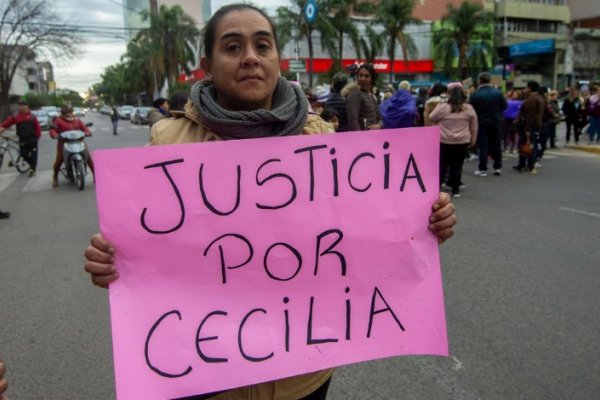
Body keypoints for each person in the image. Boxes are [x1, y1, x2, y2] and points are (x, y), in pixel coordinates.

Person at [83, 4, 457, 400]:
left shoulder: (322, 141)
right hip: (207, 373)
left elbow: (370, 238)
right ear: (207, 65)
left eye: (263, 46)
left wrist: (426, 222)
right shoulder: (166, 143)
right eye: (232, 47)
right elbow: (142, 248)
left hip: (303, 373)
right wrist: (109, 259)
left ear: (278, 60)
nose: (250, 57)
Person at [429, 83, 478, 198]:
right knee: (457, 165)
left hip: (444, 140)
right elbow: (474, 127)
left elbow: (431, 117)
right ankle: (455, 190)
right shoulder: (469, 109)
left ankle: (437, 189)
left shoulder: (443, 107)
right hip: (462, 141)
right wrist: (473, 140)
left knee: (442, 165)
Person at [469, 72, 507, 177]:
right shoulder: (498, 93)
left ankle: (482, 168)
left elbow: (471, 109)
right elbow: (504, 106)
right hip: (496, 121)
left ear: (479, 80)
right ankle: (498, 167)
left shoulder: (475, 94)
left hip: (481, 121)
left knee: (483, 145)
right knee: (497, 144)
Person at [50, 105, 95, 187]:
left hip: (79, 142)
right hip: (64, 144)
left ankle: (96, 176)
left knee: (88, 158)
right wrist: (55, 134)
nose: (70, 114)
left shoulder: (77, 120)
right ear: (63, 113)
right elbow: (53, 129)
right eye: (68, 113)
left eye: (71, 112)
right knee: (58, 161)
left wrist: (87, 132)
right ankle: (55, 177)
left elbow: (84, 128)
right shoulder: (58, 121)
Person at [0, 99, 42, 176]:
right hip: (23, 139)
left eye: (23, 105)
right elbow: (7, 122)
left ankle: (33, 169)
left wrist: (37, 137)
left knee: (33, 154)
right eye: (20, 105)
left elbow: (37, 128)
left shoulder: (32, 116)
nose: (21, 107)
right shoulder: (16, 116)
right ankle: (31, 165)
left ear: (27, 106)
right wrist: (2, 127)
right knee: (24, 154)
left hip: (32, 138)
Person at [514, 80, 545, 174]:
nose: (525, 89)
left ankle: (525, 164)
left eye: (527, 87)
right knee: (531, 145)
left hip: (529, 126)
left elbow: (529, 116)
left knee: (526, 145)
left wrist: (527, 129)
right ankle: (527, 164)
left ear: (530, 88)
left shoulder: (532, 99)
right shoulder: (539, 97)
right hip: (535, 125)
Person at [345, 63, 381, 131]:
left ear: (372, 79)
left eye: (366, 76)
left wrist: (378, 126)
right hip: (362, 137)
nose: (362, 78)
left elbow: (381, 118)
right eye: (360, 75)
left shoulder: (372, 96)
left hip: (373, 136)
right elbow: (353, 121)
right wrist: (361, 138)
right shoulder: (355, 94)